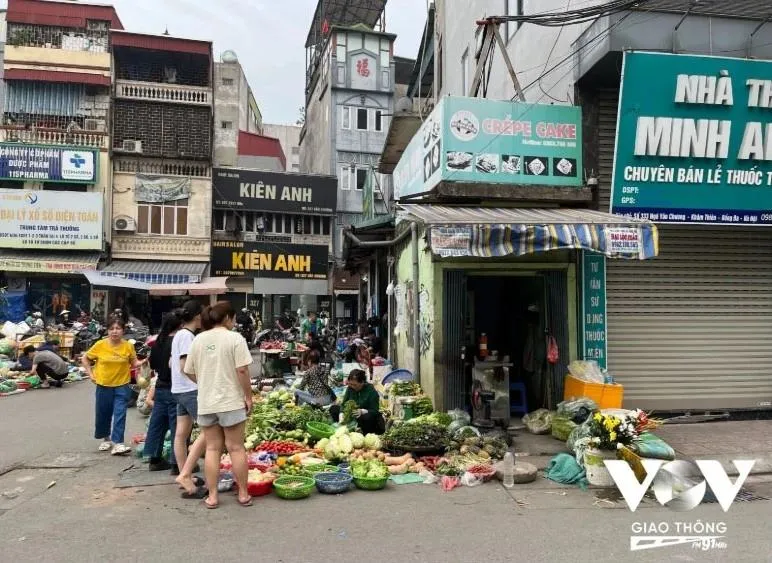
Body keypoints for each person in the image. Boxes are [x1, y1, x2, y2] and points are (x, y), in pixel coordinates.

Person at [184, 301, 253, 509]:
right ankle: (242, 494)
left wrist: (205, 383)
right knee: (236, 448)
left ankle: (213, 497)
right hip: (230, 401)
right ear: (227, 318)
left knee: (212, 449)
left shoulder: (198, 340)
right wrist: (248, 397)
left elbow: (187, 370)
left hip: (206, 402)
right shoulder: (235, 339)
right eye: (232, 318)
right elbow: (242, 370)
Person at [82, 317, 146, 456]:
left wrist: (144, 362)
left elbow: (134, 363)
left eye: (118, 328)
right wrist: (91, 374)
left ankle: (118, 443)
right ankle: (106, 438)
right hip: (103, 384)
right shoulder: (100, 345)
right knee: (103, 413)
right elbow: (85, 358)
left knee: (120, 413)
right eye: (111, 329)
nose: (114, 332)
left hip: (122, 385)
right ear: (107, 331)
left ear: (123, 330)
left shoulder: (128, 346)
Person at [172, 300, 207, 495]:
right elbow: (184, 366)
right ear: (196, 316)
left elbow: (172, 363)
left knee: (181, 434)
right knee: (210, 430)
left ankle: (185, 473)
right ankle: (185, 475)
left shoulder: (179, 335)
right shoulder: (187, 336)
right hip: (190, 390)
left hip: (179, 390)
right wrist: (202, 381)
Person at [144, 310, 183, 472]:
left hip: (160, 386)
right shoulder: (178, 341)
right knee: (178, 426)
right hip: (175, 387)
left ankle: (154, 458)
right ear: (180, 325)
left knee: (157, 424)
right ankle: (176, 463)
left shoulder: (158, 341)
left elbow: (152, 365)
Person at [329, 369, 385, 435]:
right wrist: (341, 413)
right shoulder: (350, 388)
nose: (352, 386)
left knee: (367, 417)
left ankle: (363, 434)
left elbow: (375, 410)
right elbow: (344, 403)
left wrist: (362, 411)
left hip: (363, 418)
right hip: (352, 415)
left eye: (355, 385)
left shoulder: (371, 391)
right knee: (334, 408)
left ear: (362, 382)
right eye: (350, 384)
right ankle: (342, 429)